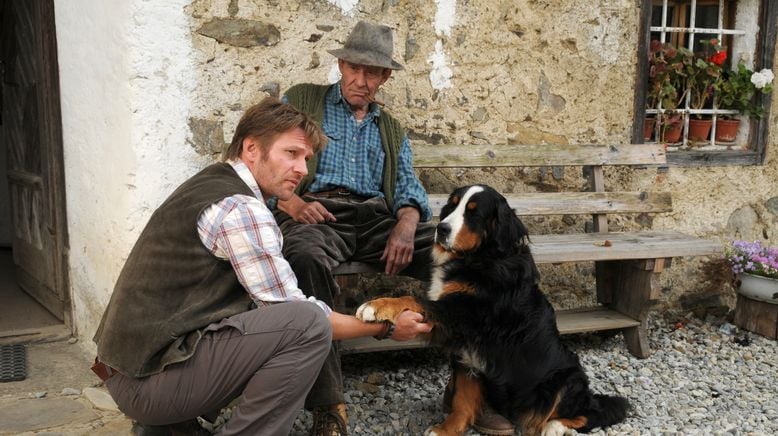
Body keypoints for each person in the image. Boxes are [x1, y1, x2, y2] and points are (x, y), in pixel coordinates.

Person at [91, 97, 432, 436]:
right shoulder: (241, 208)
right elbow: (297, 312)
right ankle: (177, 418)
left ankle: (170, 427)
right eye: (291, 154)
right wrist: (383, 327)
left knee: (273, 319)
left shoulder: (214, 182)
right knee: (306, 324)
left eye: (306, 159)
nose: (302, 169)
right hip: (146, 381)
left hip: (131, 369)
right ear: (252, 148)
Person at [276, 21, 516, 436]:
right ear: (340, 64)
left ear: (385, 77)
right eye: (354, 68)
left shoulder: (390, 128)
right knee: (305, 258)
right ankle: (328, 404)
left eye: (372, 73)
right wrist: (291, 202)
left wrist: (406, 224)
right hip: (317, 215)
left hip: (376, 221)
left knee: (466, 257)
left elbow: (409, 190)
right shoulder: (302, 102)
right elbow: (267, 161)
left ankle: (471, 388)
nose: (361, 80)